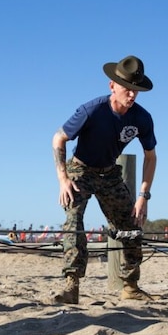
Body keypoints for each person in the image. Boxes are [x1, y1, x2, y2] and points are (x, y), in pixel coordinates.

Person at [51, 55, 157, 304]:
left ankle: (130, 285)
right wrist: (63, 179)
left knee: (131, 225)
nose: (131, 96)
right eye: (127, 90)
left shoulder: (142, 118)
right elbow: (58, 138)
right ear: (112, 86)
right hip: (81, 170)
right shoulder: (91, 110)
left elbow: (150, 156)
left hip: (110, 173)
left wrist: (143, 195)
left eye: (136, 91)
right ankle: (71, 285)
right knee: (73, 219)